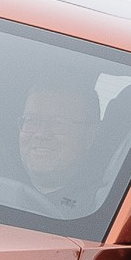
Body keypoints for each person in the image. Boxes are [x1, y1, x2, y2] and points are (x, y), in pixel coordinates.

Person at [16, 81, 102, 213]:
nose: (42, 134)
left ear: (89, 136)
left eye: (59, 123)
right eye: (32, 120)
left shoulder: (101, 209)